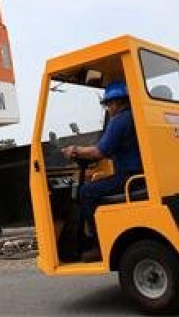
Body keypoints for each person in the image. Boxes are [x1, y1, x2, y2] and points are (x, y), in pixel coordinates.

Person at [62, 80, 143, 256]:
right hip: (140, 175)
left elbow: (99, 151)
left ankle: (99, 245)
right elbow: (110, 150)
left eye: (108, 104)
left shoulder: (119, 120)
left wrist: (75, 150)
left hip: (129, 177)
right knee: (97, 182)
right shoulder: (134, 116)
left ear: (116, 102)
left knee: (86, 192)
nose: (108, 108)